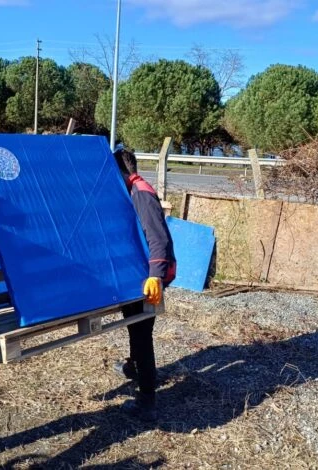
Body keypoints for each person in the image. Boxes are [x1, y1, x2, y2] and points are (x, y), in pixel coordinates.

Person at [112, 146, 176, 421]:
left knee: (141, 332)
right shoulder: (133, 191)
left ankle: (147, 398)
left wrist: (155, 276)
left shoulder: (142, 194)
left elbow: (158, 239)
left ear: (121, 172)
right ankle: (134, 367)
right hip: (141, 273)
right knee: (135, 325)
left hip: (151, 277)